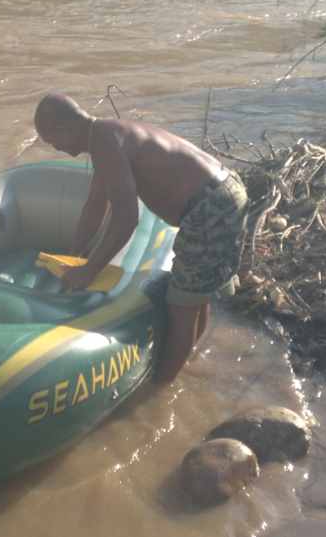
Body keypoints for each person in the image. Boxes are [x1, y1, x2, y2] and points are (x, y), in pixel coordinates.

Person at [33, 92, 248, 383]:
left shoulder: (106, 142)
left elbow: (126, 219)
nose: (55, 147)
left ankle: (161, 390)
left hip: (208, 206)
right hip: (223, 192)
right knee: (197, 294)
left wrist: (90, 271)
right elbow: (96, 205)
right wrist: (76, 255)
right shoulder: (105, 135)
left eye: (51, 140)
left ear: (64, 128)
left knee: (181, 306)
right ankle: (187, 361)